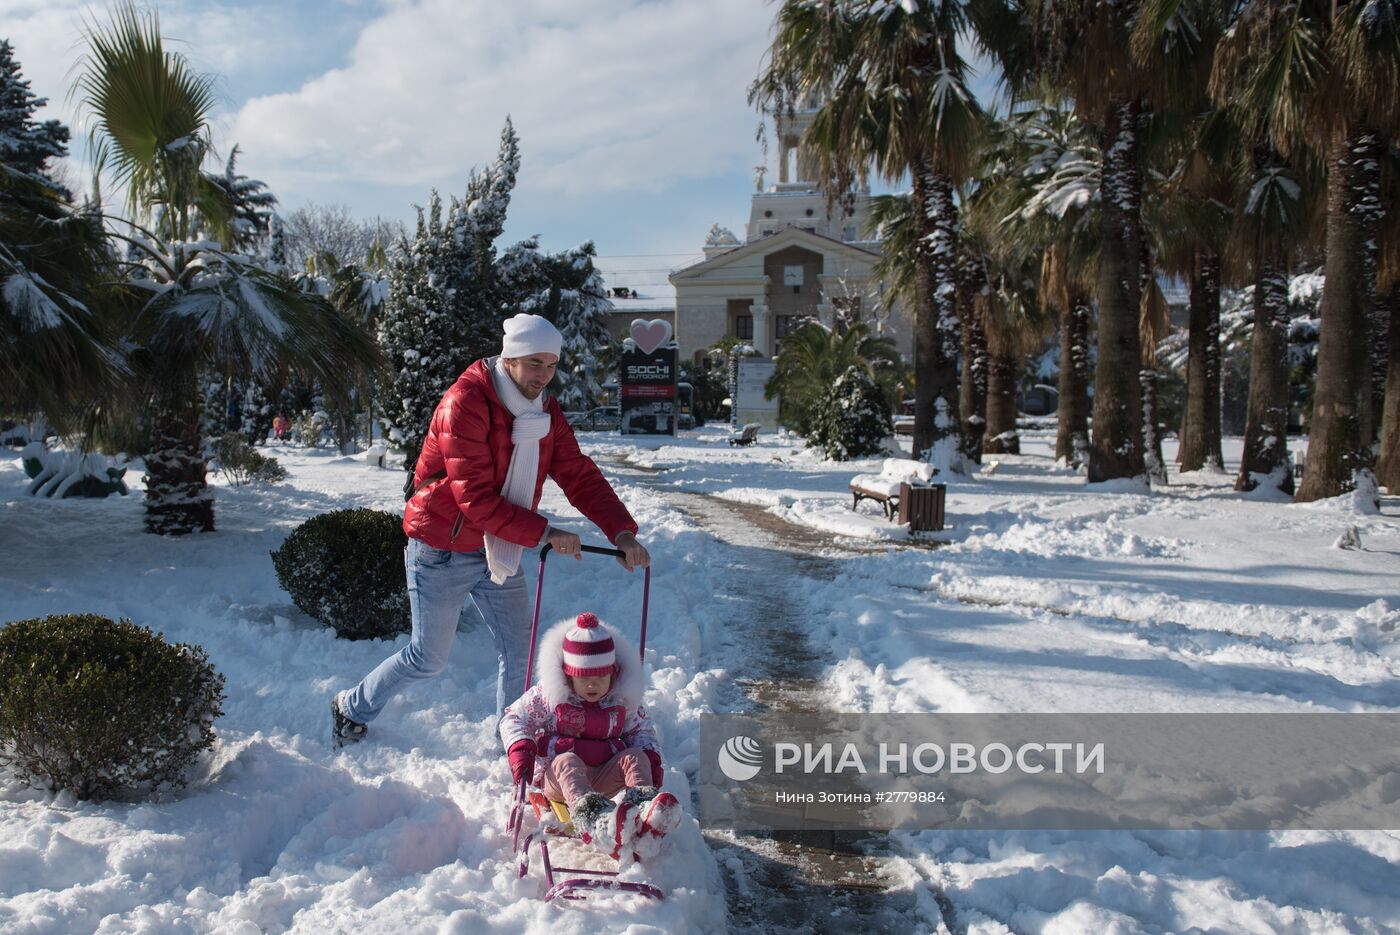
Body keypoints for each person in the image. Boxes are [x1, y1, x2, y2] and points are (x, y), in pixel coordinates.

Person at [332, 313, 650, 746]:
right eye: (533, 363)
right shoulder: (465, 402)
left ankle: (513, 744)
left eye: (551, 364)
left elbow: (578, 474)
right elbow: (474, 498)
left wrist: (621, 532)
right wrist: (545, 533)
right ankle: (350, 706)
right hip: (441, 547)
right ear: (511, 357)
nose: (543, 375)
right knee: (428, 658)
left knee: (519, 654)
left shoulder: (545, 412)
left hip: (498, 547)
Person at [500, 612, 681, 858]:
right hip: (561, 781)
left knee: (636, 756)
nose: (592, 685)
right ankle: (595, 821)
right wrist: (522, 747)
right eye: (583, 679)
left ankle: (643, 811)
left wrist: (652, 759)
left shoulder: (622, 700)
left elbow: (642, 730)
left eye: (601, 678)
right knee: (567, 760)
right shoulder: (549, 696)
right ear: (567, 675)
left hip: (604, 774)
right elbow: (514, 717)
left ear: (613, 674)